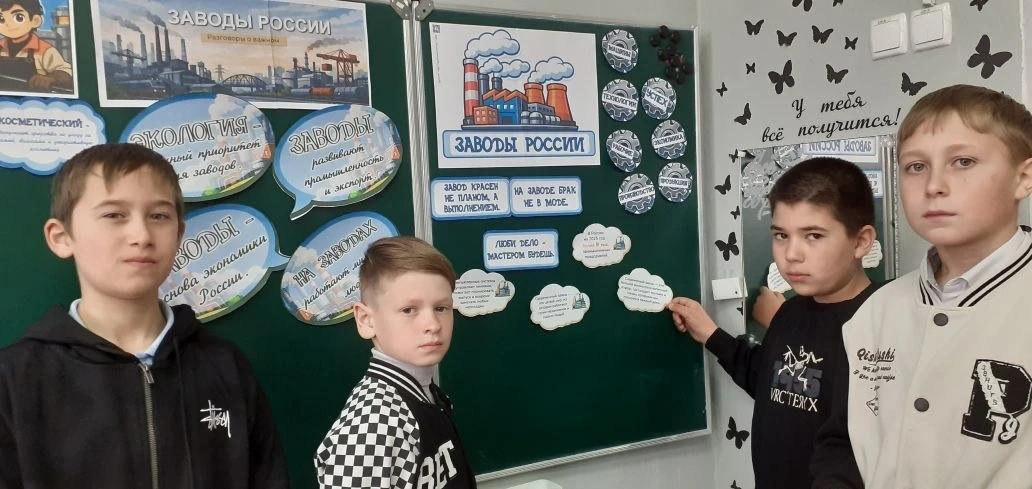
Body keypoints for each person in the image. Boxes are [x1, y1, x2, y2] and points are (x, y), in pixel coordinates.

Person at [0, 143, 290, 488]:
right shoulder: (14, 379)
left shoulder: (225, 367)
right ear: (62, 237)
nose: (141, 236)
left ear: (179, 235)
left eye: (159, 216)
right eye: (114, 215)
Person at [839, 84, 1032, 488]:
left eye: (963, 161)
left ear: (1023, 177)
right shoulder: (876, 311)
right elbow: (846, 441)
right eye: (916, 166)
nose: (933, 186)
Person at [669, 157, 877, 489]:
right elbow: (773, 383)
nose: (791, 254)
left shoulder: (882, 322)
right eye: (781, 235)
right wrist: (710, 334)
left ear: (861, 241)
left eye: (813, 235)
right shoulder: (790, 313)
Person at [315, 236, 476, 489]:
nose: (433, 325)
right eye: (408, 310)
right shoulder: (371, 426)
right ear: (366, 320)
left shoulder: (424, 392)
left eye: (441, 308)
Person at [0, 0, 73, 92]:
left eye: (19, 17)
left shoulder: (45, 50)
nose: (8, 24)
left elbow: (65, 71)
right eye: (1, 19)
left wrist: (50, 78)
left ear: (35, 21)